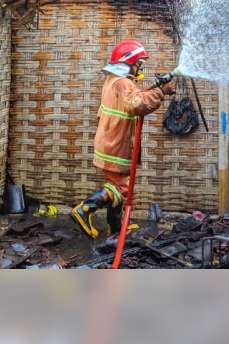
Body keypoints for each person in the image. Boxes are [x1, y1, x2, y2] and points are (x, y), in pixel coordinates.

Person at [70, 39, 174, 238]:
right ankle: (84, 210)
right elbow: (137, 104)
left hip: (110, 141)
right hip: (116, 144)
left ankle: (116, 227)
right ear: (129, 63)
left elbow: (132, 99)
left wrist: (153, 90)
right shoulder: (123, 82)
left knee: (118, 185)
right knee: (121, 189)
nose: (140, 68)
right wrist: (161, 91)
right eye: (139, 64)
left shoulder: (113, 80)